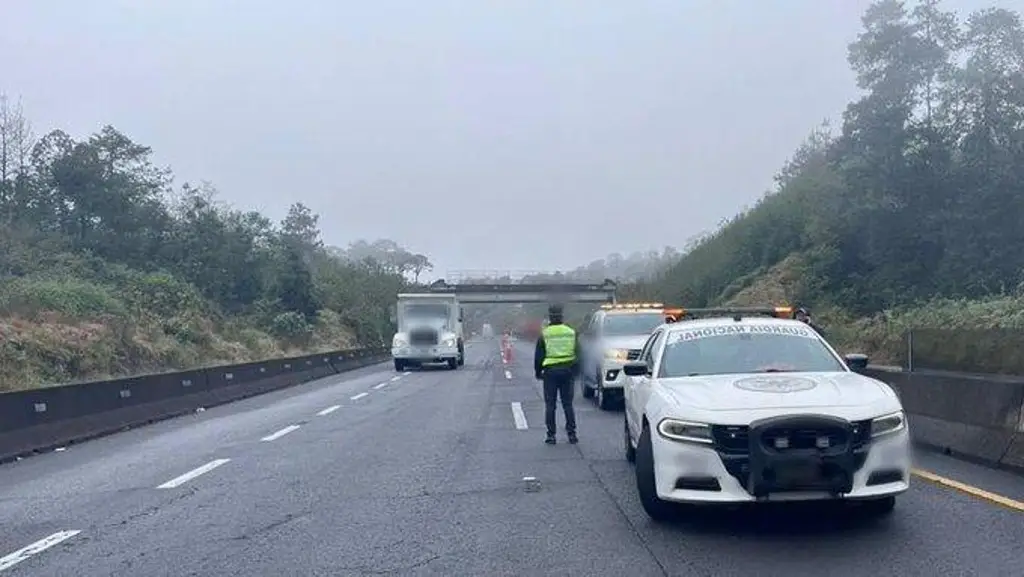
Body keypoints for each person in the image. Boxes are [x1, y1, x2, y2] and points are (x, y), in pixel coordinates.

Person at [534, 303, 581, 445]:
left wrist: (538, 372)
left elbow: (539, 356)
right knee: (568, 404)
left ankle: (551, 435)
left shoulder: (545, 334)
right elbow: (579, 353)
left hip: (550, 373)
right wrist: (576, 371)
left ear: (550, 317)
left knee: (550, 405)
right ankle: (572, 434)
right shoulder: (571, 332)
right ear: (562, 316)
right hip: (568, 371)